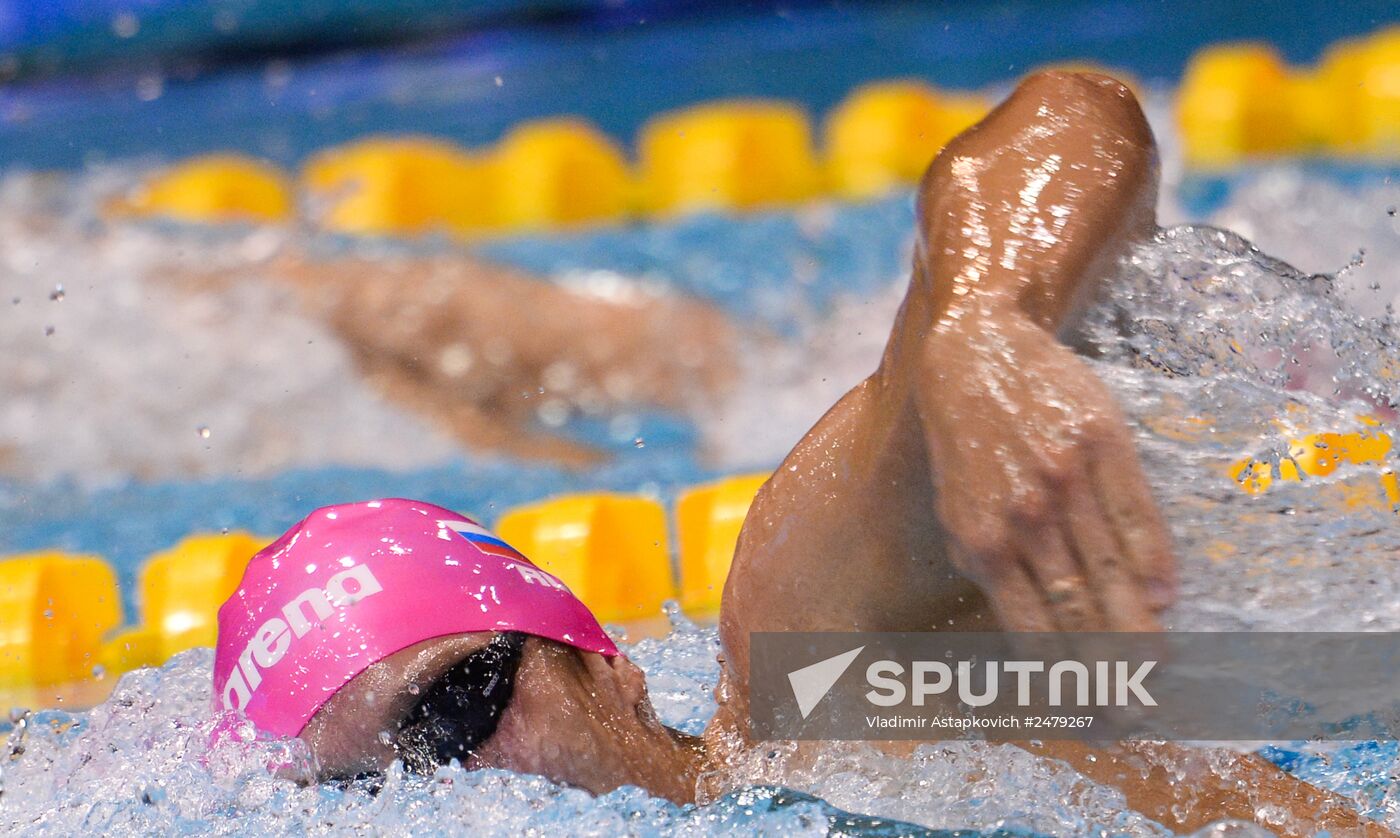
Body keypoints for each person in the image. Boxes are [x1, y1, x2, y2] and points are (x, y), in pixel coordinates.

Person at [212, 72, 1384, 836]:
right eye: (367, 790)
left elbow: (1067, 119)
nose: (448, 792)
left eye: (459, 707)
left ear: (605, 662)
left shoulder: (818, 682)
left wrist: (981, 324)